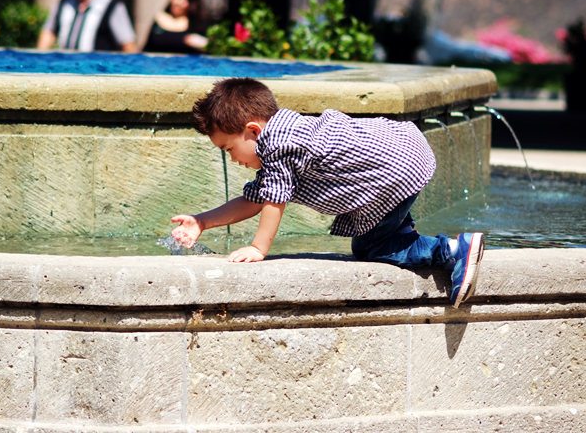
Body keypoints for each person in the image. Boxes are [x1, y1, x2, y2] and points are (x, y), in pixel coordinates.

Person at [171, 78, 485, 308]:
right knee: (375, 244)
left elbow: (273, 201)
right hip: (401, 155)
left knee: (373, 249)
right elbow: (252, 200)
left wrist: (258, 247)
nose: (233, 159)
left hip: (392, 172)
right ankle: (426, 243)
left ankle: (453, 251)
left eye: (229, 149)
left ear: (253, 131)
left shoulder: (277, 144)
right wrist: (201, 221)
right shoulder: (285, 133)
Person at [143, 0, 208, 54]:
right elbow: (146, 49)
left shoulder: (197, 25)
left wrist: (202, 44)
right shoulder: (159, 19)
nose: (176, 1)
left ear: (192, 3)